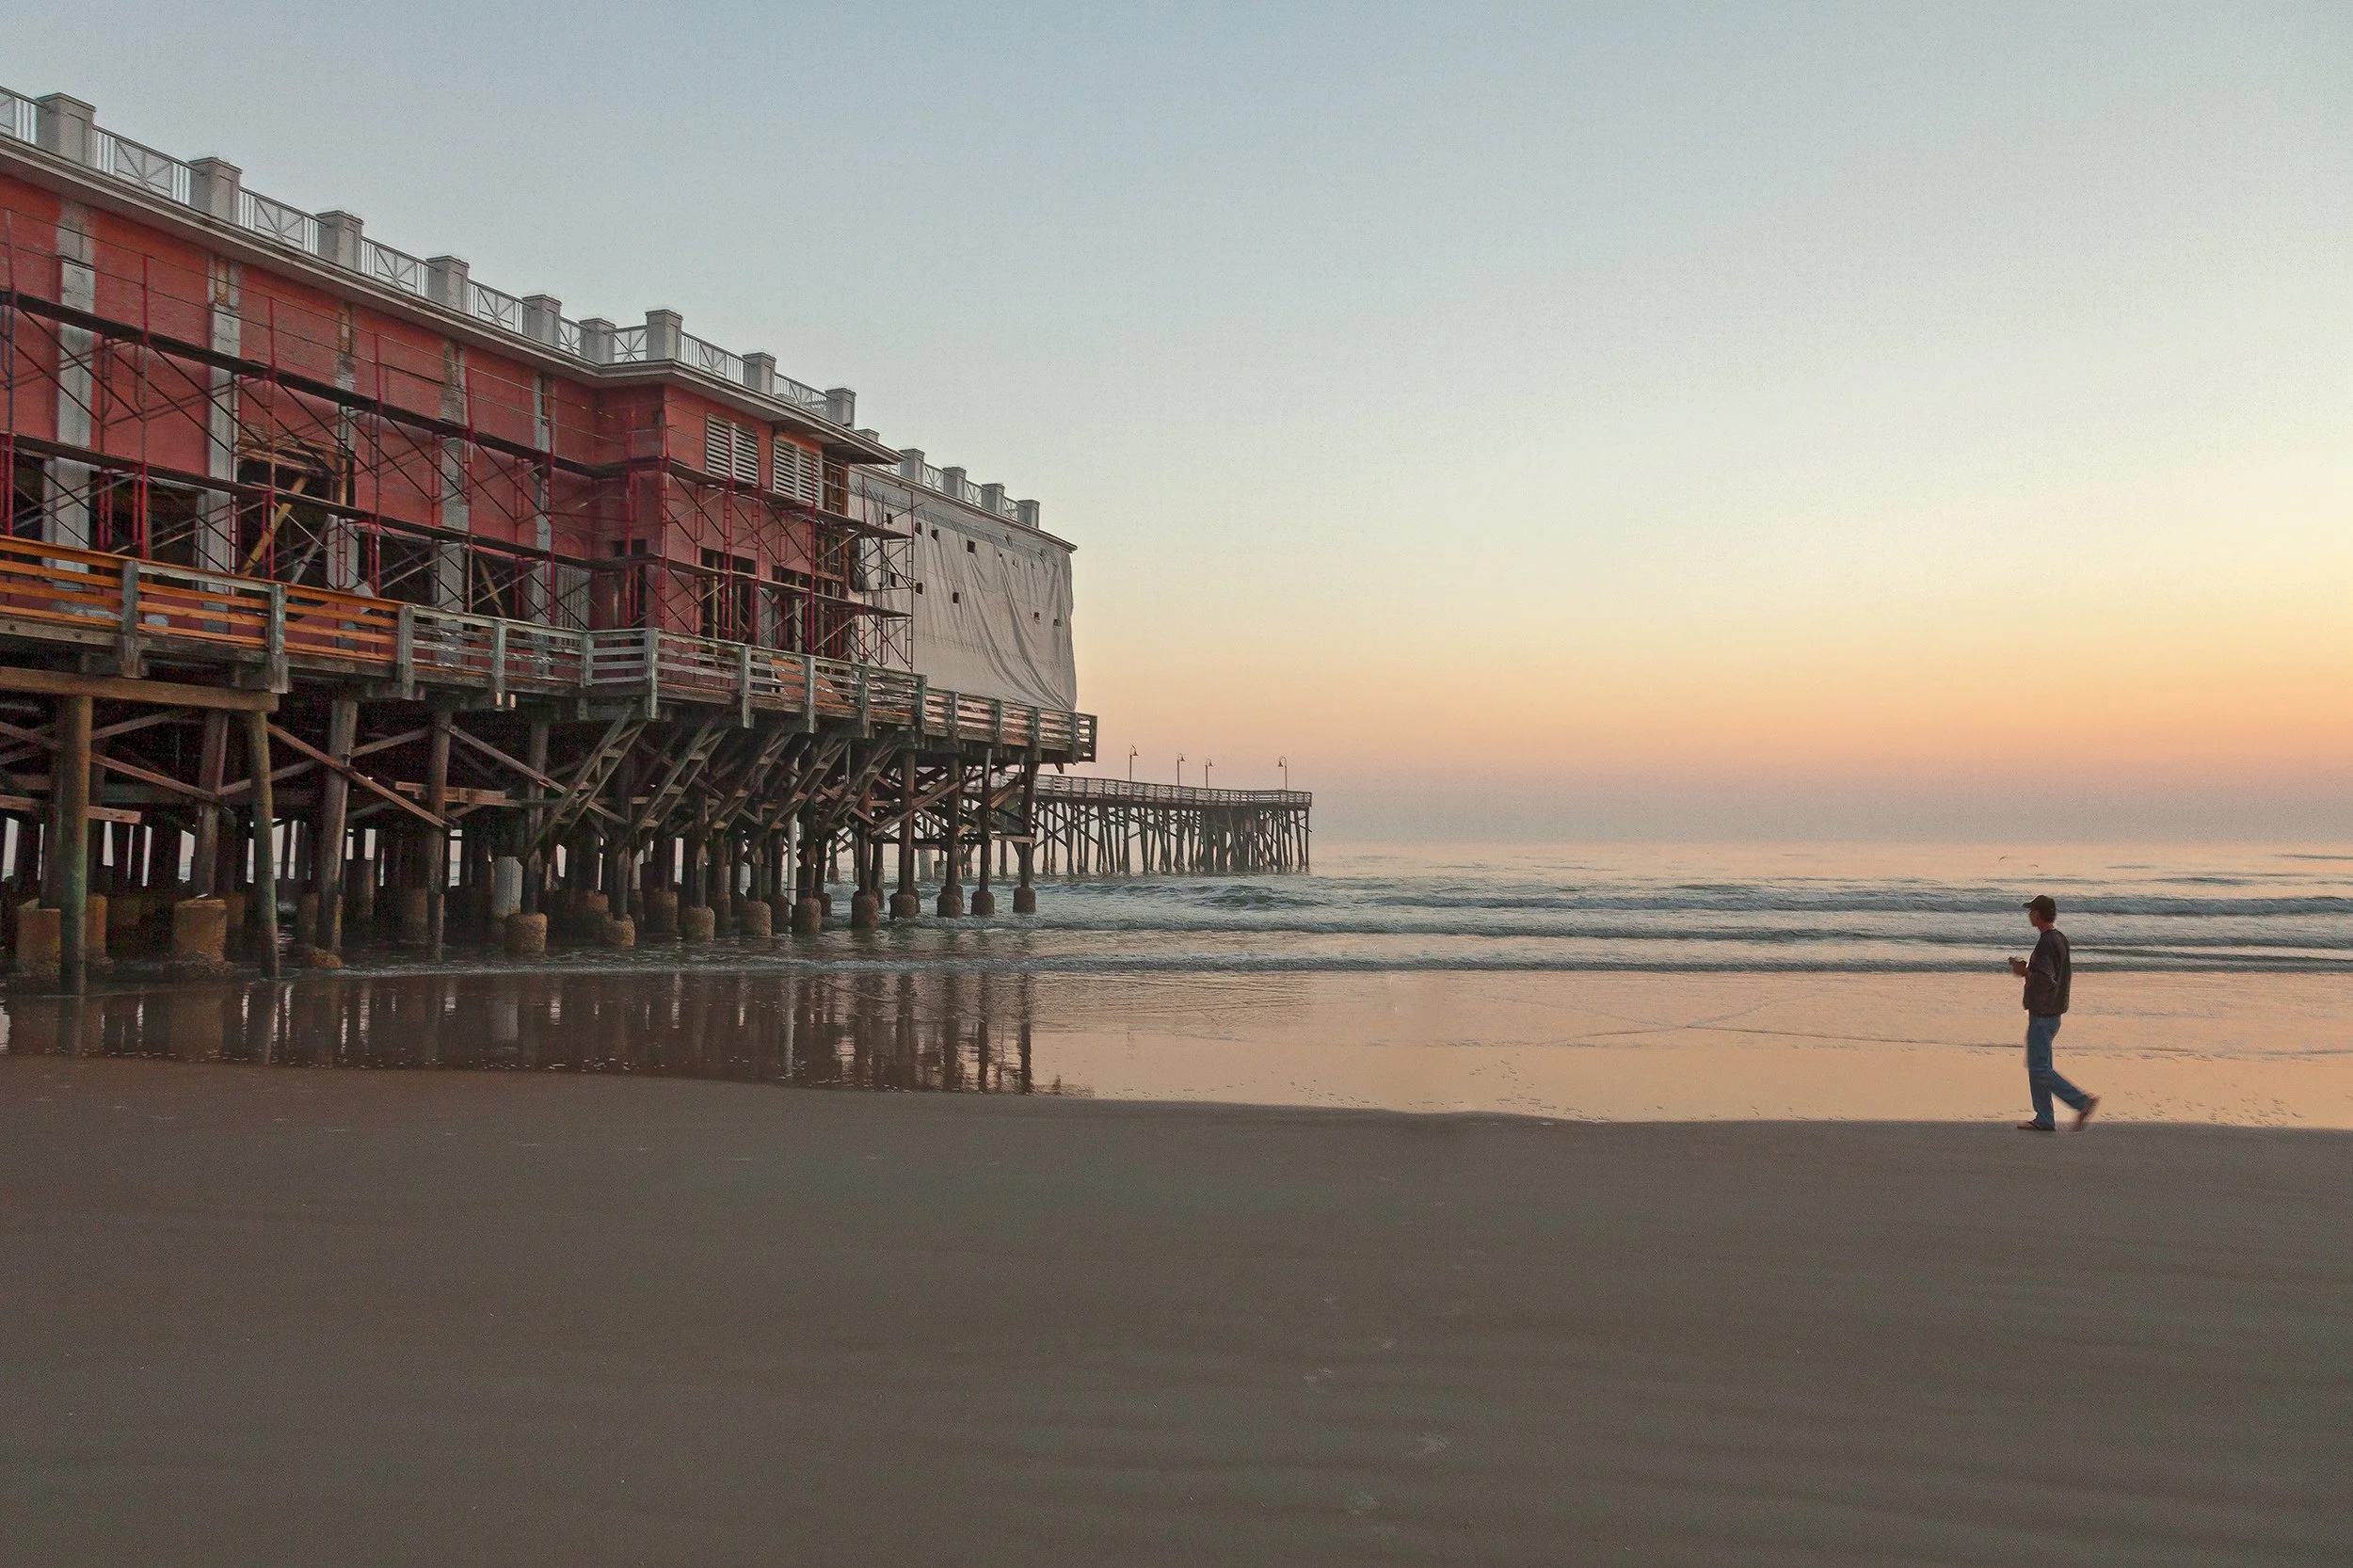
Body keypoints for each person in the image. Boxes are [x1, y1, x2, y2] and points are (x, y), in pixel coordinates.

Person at [2008, 895, 2098, 1131]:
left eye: (2031, 911)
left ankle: (2081, 1101)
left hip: (2044, 1014)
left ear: (2038, 915)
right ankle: (2044, 1118)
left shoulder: (2048, 942)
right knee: (2040, 1065)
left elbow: (2046, 980)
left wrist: (2024, 972)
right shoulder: (2059, 939)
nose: (2029, 915)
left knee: (2039, 1068)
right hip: (2052, 1012)